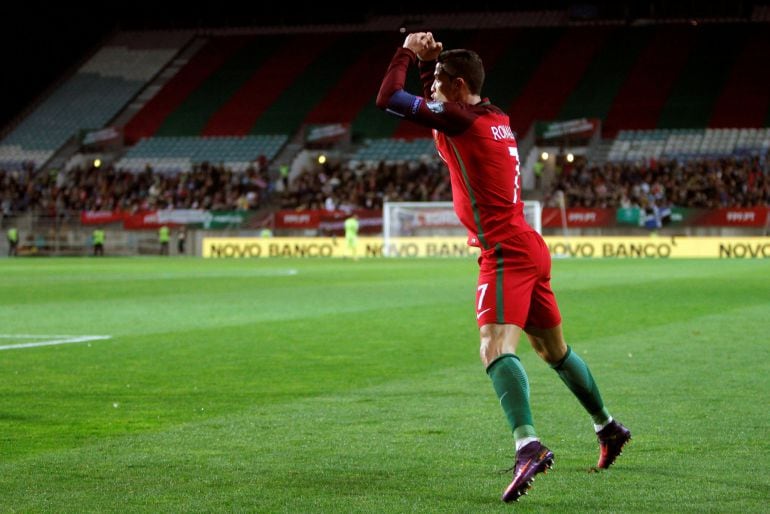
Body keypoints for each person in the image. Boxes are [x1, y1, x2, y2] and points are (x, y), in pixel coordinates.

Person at [376, 32, 630, 503]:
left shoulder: (460, 118)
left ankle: (528, 446)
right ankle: (608, 426)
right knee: (554, 351)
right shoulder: (496, 117)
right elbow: (435, 110)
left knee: (493, 346)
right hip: (529, 245)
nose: (429, 88)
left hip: (504, 251)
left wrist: (409, 52)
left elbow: (388, 98)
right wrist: (432, 67)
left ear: (455, 87)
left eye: (436, 82)